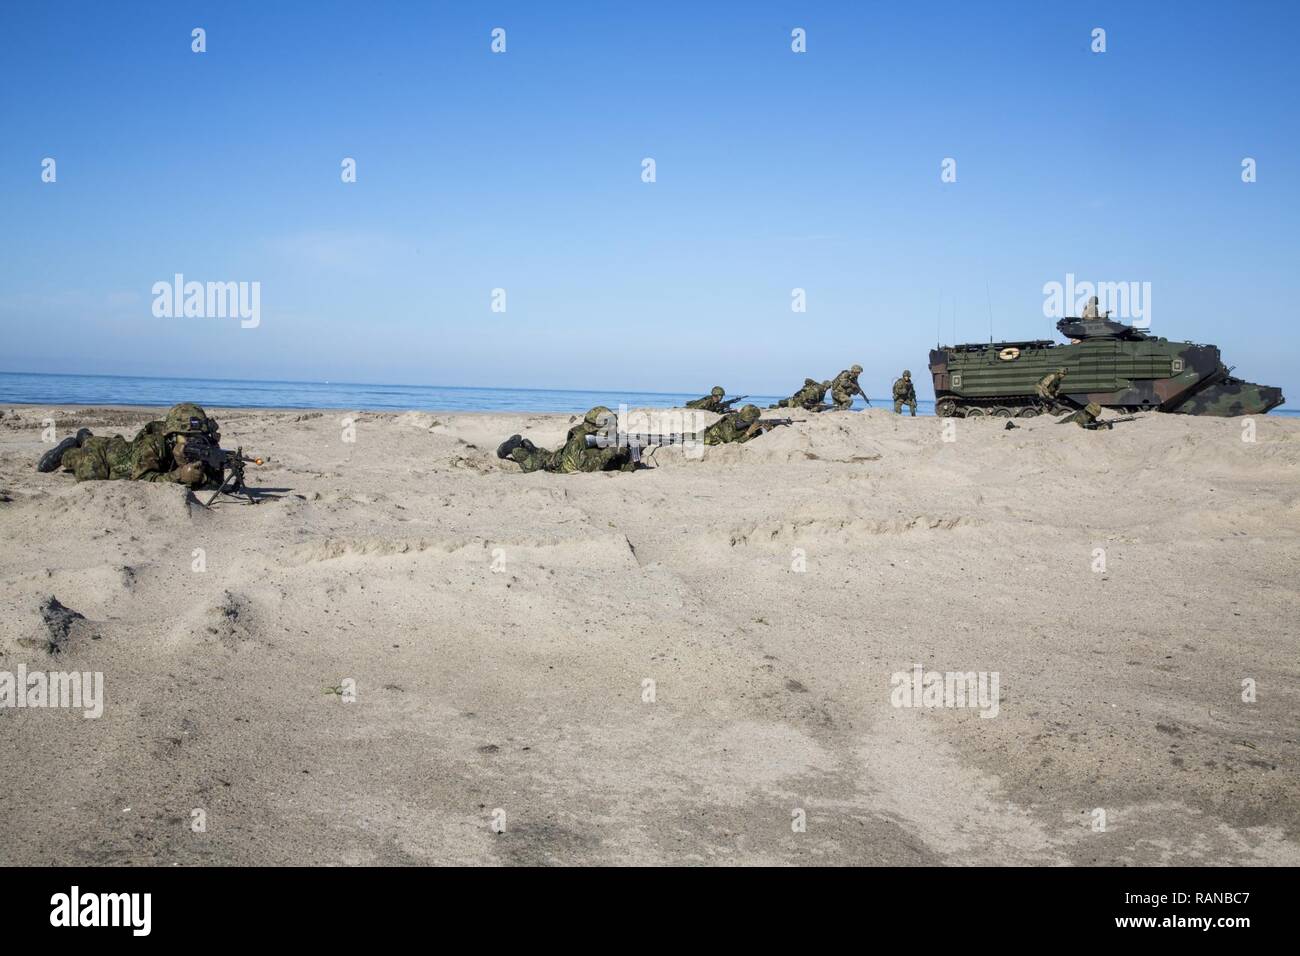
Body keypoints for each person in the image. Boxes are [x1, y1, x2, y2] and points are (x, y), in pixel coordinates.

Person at [38, 403, 219, 488]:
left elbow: (213, 482)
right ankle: (69, 449)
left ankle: (85, 436)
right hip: (106, 455)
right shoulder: (154, 443)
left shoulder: (202, 447)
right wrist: (179, 475)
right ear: (171, 436)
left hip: (122, 447)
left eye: (198, 437)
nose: (192, 442)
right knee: (90, 476)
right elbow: (139, 479)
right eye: (186, 437)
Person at [497, 406, 638, 474]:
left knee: (548, 455)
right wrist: (610, 452)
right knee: (534, 464)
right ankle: (514, 449)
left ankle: (531, 448)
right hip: (556, 467)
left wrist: (626, 453)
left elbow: (626, 469)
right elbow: (585, 468)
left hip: (560, 455)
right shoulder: (579, 440)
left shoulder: (602, 438)